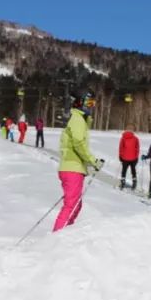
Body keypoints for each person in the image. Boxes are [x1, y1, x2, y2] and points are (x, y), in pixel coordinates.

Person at [54, 89, 103, 232]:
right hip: (72, 169)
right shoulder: (77, 119)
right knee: (71, 205)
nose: (91, 106)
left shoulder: (79, 119)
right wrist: (93, 161)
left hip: (72, 168)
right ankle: (57, 237)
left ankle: (64, 233)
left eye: (93, 103)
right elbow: (78, 143)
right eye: (89, 102)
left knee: (76, 205)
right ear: (80, 102)